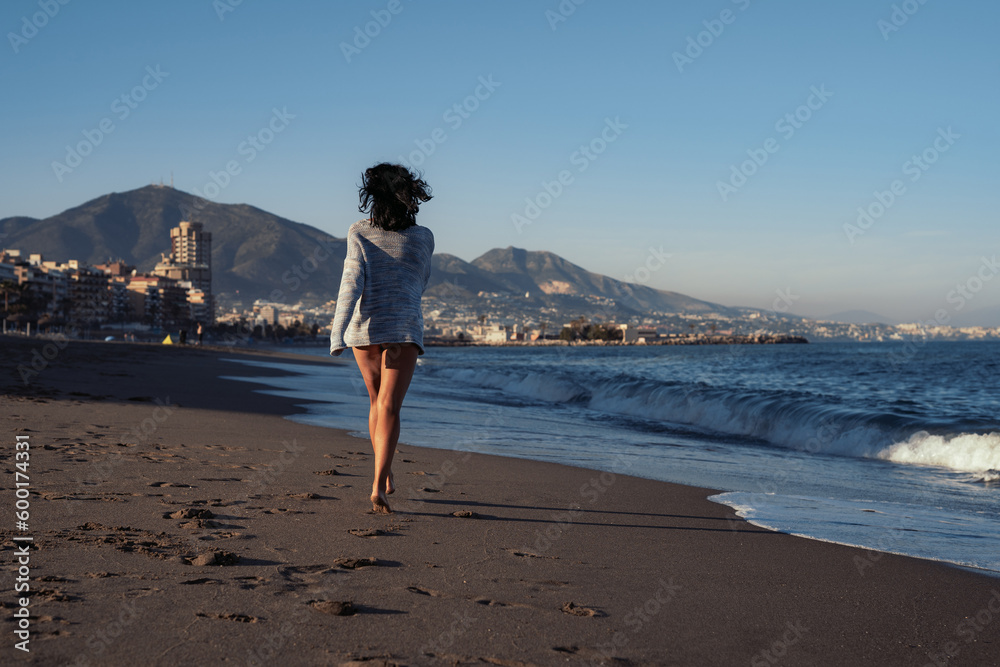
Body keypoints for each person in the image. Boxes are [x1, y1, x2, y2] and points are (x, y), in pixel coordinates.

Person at [329, 163, 435, 514]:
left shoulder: (358, 232)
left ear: (372, 195)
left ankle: (384, 474)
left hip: (366, 329)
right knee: (390, 406)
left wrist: (338, 333)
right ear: (409, 195)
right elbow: (420, 281)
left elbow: (351, 282)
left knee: (376, 403)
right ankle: (379, 484)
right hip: (403, 327)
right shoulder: (424, 237)